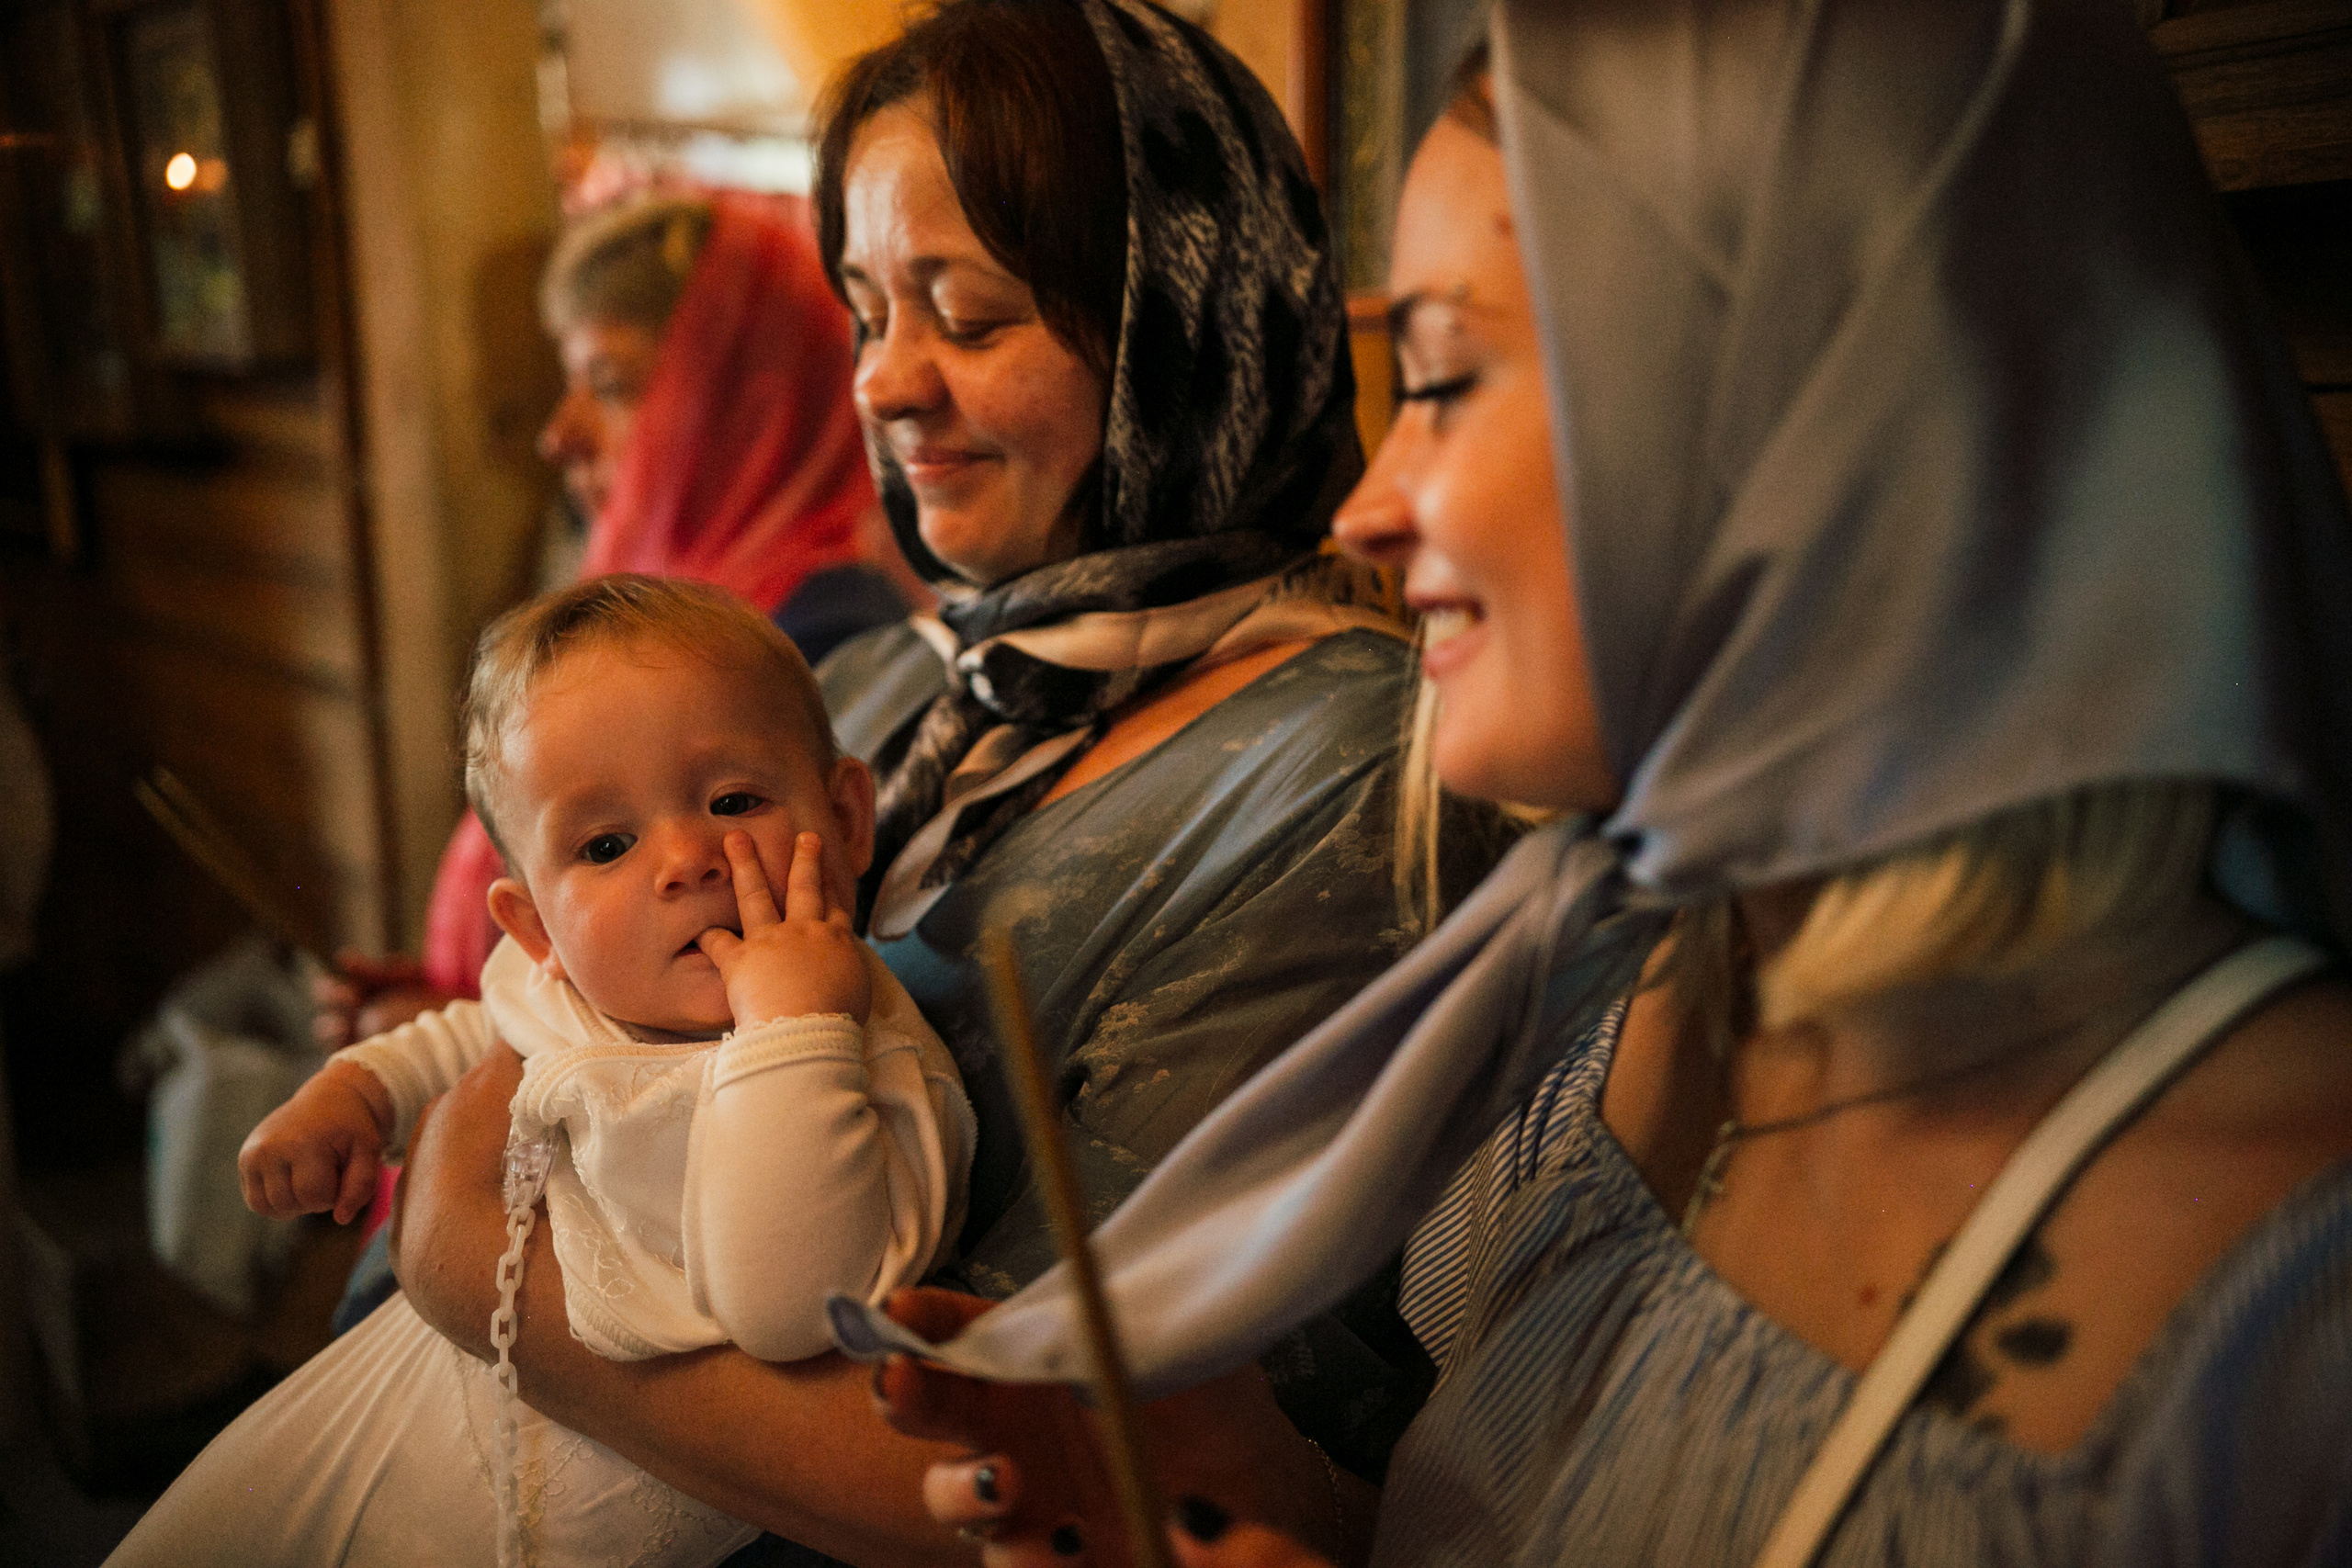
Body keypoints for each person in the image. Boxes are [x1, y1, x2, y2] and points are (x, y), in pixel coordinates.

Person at [857, 2, 2352, 1563]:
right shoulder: (1638, 1007)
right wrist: (1255, 1491)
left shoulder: (2293, 1308)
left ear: (1793, 424)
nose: (1369, 502)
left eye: (1440, 382)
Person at [385, 3, 1508, 1563]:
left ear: (1178, 326)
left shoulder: (1346, 773)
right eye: (866, 313)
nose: (884, 385)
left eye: (967, 317)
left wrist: (466, 1243)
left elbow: (1066, 1446)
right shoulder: (906, 686)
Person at [107, 576, 972, 1568]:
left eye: (733, 801)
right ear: (535, 927)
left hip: (613, 1485)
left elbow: (787, 1310)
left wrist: (790, 1024)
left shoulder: (873, 1064)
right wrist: (355, 1094)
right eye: (607, 844)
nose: (685, 858)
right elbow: (477, 1030)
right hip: (418, 1384)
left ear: (848, 817)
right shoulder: (574, 990)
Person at [322, 191, 911, 1049]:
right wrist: (448, 1013)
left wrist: (478, 1047)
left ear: (752, 402)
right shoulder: (643, 618)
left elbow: (753, 980)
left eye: (612, 383)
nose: (559, 434)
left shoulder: (816, 639)